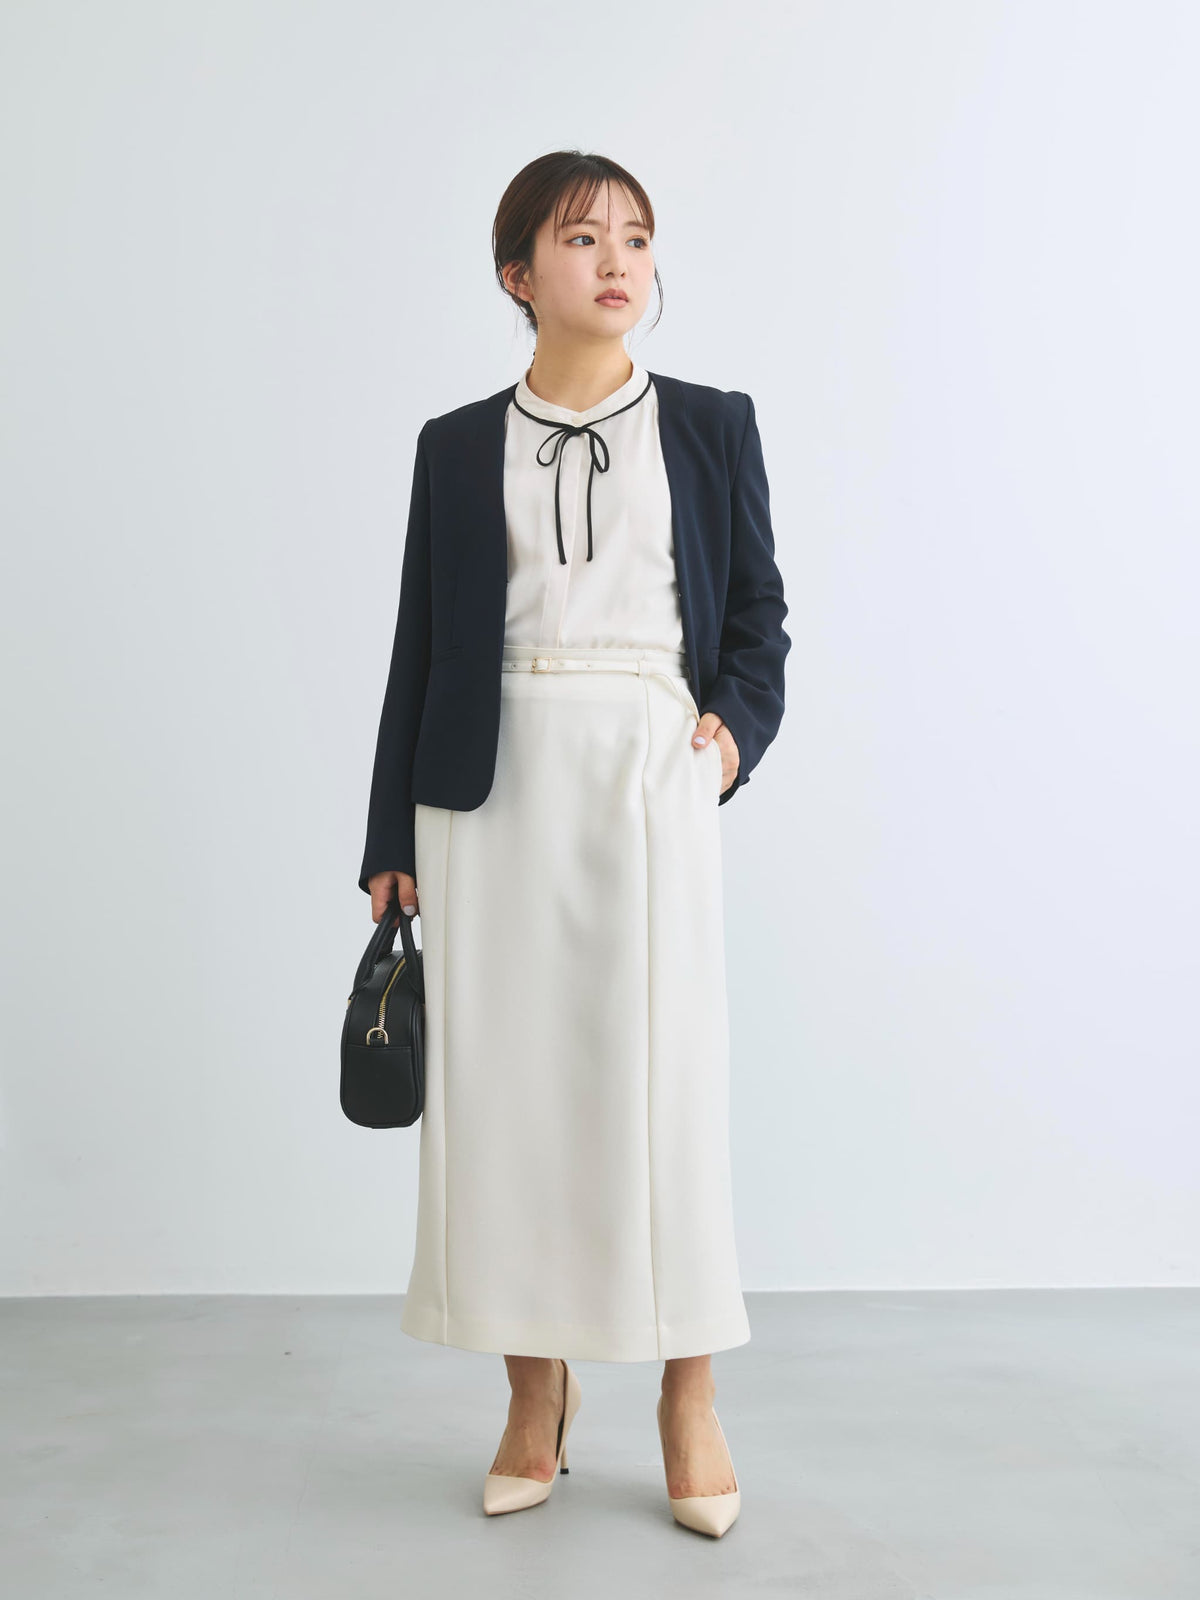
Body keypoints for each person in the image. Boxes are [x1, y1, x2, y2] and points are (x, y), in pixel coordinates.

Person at [358, 150, 790, 1537]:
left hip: (647, 777)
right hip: (486, 794)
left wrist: (725, 740)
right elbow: (420, 644)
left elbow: (759, 621)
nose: (617, 260)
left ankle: (688, 1393)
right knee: (507, 1098)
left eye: (637, 238)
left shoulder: (712, 425)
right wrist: (388, 831)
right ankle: (533, 1393)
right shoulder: (452, 445)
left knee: (666, 1091)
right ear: (517, 274)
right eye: (582, 236)